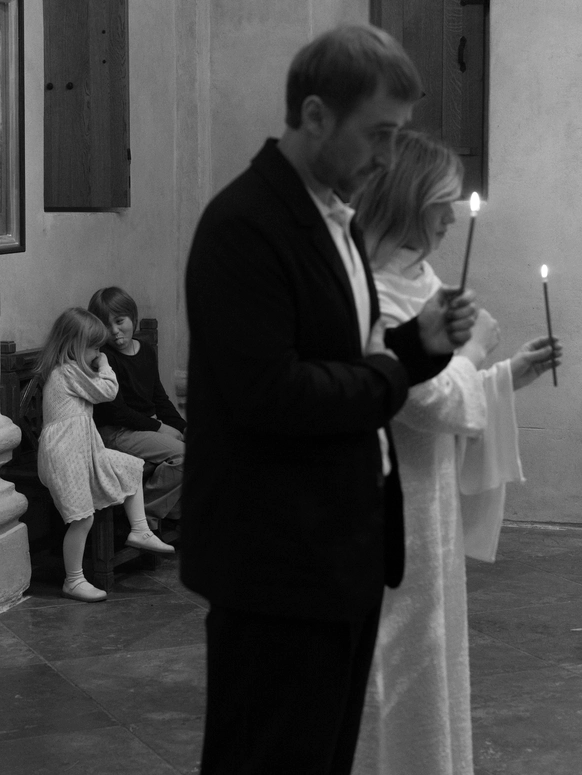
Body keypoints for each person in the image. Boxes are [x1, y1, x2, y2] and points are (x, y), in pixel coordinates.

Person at [181, 25, 478, 775]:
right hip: (276, 563)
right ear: (315, 115)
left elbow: (344, 357)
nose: (388, 156)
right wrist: (394, 375)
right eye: (379, 133)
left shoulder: (331, 217)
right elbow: (270, 393)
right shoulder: (245, 224)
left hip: (339, 553)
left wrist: (418, 344)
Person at [353, 130, 562, 775]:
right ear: (408, 200)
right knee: (397, 660)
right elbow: (419, 399)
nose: (451, 216)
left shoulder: (421, 277)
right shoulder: (371, 288)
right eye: (441, 202)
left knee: (433, 653)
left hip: (432, 496)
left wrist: (506, 377)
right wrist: (473, 353)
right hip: (394, 504)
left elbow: (448, 387)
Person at [36, 308, 175, 604]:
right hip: (64, 456)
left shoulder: (73, 370)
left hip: (84, 449)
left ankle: (140, 529)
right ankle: (73, 580)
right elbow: (109, 391)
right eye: (94, 348)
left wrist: (96, 361)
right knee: (82, 519)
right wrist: (106, 364)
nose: (98, 354)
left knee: (130, 467)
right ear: (74, 345)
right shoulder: (67, 372)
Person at [88, 287, 185, 528]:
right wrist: (161, 428)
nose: (114, 331)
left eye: (120, 321)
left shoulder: (146, 350)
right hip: (115, 432)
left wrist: (183, 428)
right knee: (183, 456)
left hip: (143, 428)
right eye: (106, 325)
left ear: (133, 318)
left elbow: (159, 398)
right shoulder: (104, 358)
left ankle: (171, 513)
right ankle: (142, 519)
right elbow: (117, 412)